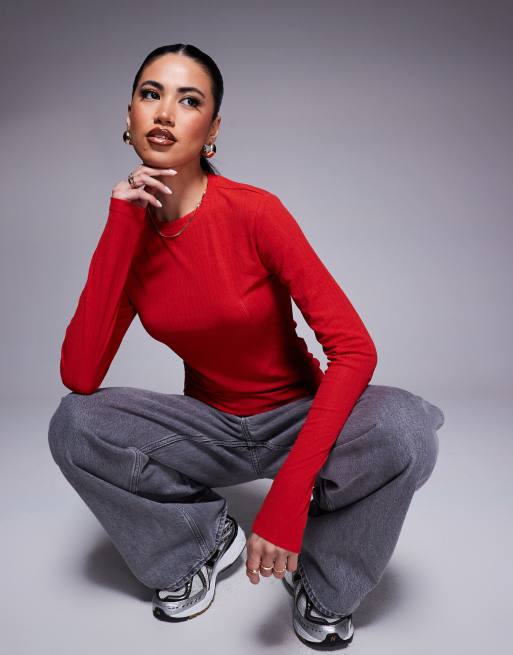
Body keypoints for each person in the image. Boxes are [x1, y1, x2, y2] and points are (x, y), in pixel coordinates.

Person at [47, 43, 445, 650]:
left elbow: (355, 350)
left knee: (407, 428)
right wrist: (120, 222)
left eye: (189, 101)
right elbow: (79, 374)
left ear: (212, 130)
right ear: (128, 115)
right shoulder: (132, 236)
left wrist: (286, 499)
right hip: (209, 428)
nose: (165, 113)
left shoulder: (255, 212)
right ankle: (201, 543)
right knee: (74, 424)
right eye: (151, 94)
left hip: (296, 416)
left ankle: (325, 577)